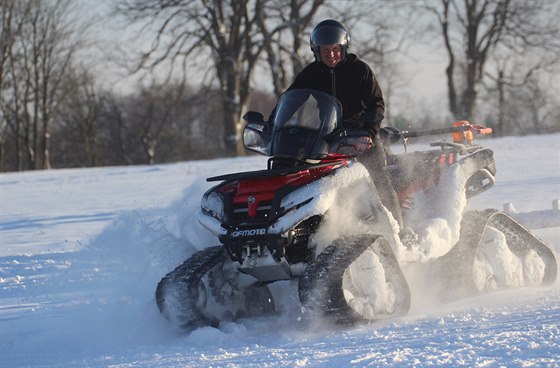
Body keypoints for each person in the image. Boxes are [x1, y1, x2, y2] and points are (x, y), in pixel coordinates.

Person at [276, 19, 406, 233]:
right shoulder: (311, 74)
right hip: (325, 139)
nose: (331, 54)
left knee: (378, 177)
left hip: (359, 136)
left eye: (336, 49)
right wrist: (274, 123)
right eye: (325, 50)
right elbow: (291, 99)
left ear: (344, 48)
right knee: (300, 176)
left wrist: (369, 133)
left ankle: (397, 230)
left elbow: (377, 104)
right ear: (316, 51)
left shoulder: (360, 70)